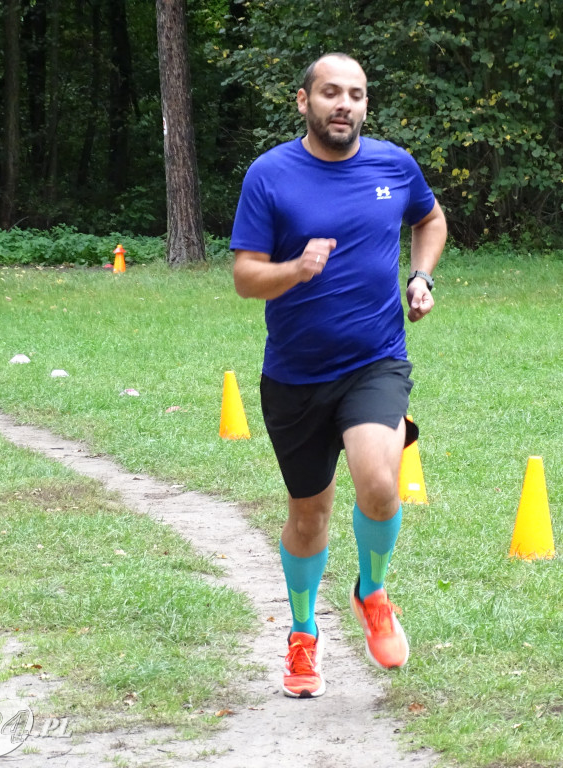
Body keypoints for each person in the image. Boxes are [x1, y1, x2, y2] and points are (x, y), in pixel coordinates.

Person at [230, 53, 448, 699]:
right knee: (310, 515)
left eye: (355, 93)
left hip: (375, 360)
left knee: (380, 483)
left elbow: (429, 218)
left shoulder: (392, 164)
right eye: (331, 93)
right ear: (304, 101)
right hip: (295, 376)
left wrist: (422, 276)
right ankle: (302, 635)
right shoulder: (270, 175)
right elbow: (245, 277)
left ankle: (372, 591)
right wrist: (295, 270)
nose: (344, 104)